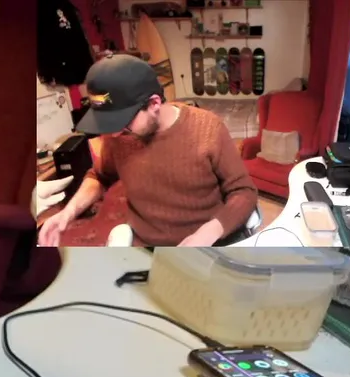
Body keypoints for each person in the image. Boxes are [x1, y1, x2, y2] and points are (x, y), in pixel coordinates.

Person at [38, 55, 258, 247]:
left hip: (207, 245)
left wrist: (210, 232)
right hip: (146, 247)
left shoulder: (208, 128)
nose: (114, 133)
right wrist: (68, 213)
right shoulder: (118, 136)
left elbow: (244, 191)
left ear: (154, 103)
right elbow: (99, 176)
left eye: (123, 121)